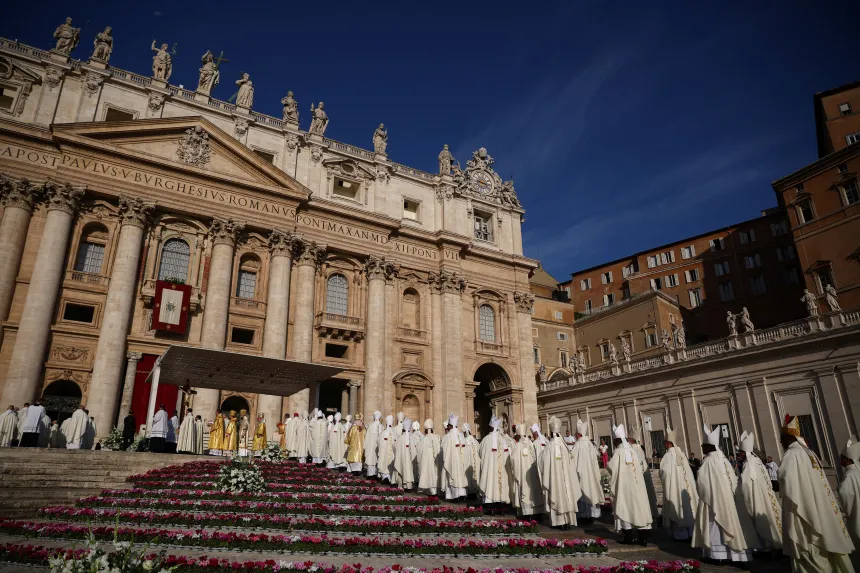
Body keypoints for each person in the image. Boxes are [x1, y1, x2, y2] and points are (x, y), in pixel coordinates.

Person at [779, 415, 854, 571]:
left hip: (805, 509)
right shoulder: (809, 452)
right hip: (819, 507)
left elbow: (788, 483)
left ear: (788, 437)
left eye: (782, 438)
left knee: (809, 549)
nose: (780, 441)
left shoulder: (792, 454)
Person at [692, 424, 759, 565]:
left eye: (704, 445)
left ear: (709, 446)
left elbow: (702, 483)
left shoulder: (709, 461)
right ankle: (731, 554)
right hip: (729, 500)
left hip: (714, 501)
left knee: (715, 527)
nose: (702, 448)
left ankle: (718, 555)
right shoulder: (723, 460)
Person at [607, 424, 652, 546]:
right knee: (640, 507)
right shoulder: (633, 450)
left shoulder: (618, 452)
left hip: (625, 487)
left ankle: (629, 537)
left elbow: (611, 466)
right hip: (638, 485)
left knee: (626, 507)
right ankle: (643, 538)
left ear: (617, 441)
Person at [736, 431, 782, 552]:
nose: (738, 454)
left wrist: (738, 485)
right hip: (765, 495)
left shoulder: (749, 464)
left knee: (760, 521)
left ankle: (766, 546)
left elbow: (746, 484)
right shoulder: (757, 461)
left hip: (756, 497)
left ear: (745, 452)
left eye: (740, 452)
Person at [539, 416, 582, 529]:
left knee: (557, 494)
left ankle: (559, 522)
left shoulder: (549, 446)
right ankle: (568, 522)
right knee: (567, 494)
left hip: (555, 479)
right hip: (566, 479)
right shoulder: (565, 446)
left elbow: (541, 461)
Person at [659, 426, 698, 541]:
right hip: (686, 488)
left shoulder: (668, 456)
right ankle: (690, 532)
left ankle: (679, 535)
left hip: (674, 488)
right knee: (686, 508)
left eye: (664, 443)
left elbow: (664, 473)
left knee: (676, 507)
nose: (664, 445)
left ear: (668, 443)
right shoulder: (681, 454)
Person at [571, 419, 603, 522]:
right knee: (591, 490)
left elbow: (572, 460)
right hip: (591, 474)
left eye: (576, 433)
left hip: (581, 475)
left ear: (578, 434)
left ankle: (583, 515)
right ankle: (592, 514)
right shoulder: (590, 444)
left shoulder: (578, 445)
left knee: (582, 491)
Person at [510, 423, 543, 516]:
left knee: (525, 490)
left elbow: (513, 459)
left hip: (522, 473)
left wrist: (514, 469)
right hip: (532, 471)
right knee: (533, 490)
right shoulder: (531, 443)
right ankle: (536, 512)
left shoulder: (518, 445)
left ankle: (527, 514)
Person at [479, 416, 511, 505]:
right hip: (502, 469)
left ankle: (490, 503)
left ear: (492, 427)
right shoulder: (504, 439)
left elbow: (480, 451)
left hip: (491, 469)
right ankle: (501, 504)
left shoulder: (486, 439)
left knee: (490, 481)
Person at [839, 436, 860, 546]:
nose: (840, 460)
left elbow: (844, 494)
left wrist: (843, 510)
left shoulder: (849, 475)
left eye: (841, 458)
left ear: (847, 459)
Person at [417, 419, 441, 495]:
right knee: (433, 474)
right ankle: (434, 491)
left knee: (427, 474)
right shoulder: (437, 437)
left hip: (426, 462)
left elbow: (419, 451)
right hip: (435, 461)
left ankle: (431, 491)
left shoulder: (423, 439)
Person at [393, 417, 417, 490]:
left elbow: (394, 447)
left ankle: (402, 486)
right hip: (409, 459)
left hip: (401, 458)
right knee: (409, 469)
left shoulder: (400, 438)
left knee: (401, 468)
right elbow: (415, 448)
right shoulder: (412, 437)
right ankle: (408, 486)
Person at [461, 422, 481, 494]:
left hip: (468, 462)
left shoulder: (464, 441)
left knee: (468, 477)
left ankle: (469, 491)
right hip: (476, 464)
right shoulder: (476, 441)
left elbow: (462, 453)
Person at [377, 415, 397, 483]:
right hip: (391, 453)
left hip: (384, 452)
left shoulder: (383, 433)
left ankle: (385, 477)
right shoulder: (395, 433)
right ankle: (389, 478)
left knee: (384, 462)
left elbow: (378, 442)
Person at [364, 411, 383, 477]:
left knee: (376, 458)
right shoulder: (371, 426)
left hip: (376, 446)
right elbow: (367, 436)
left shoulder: (380, 426)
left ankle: (376, 473)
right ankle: (371, 474)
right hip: (371, 446)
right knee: (371, 458)